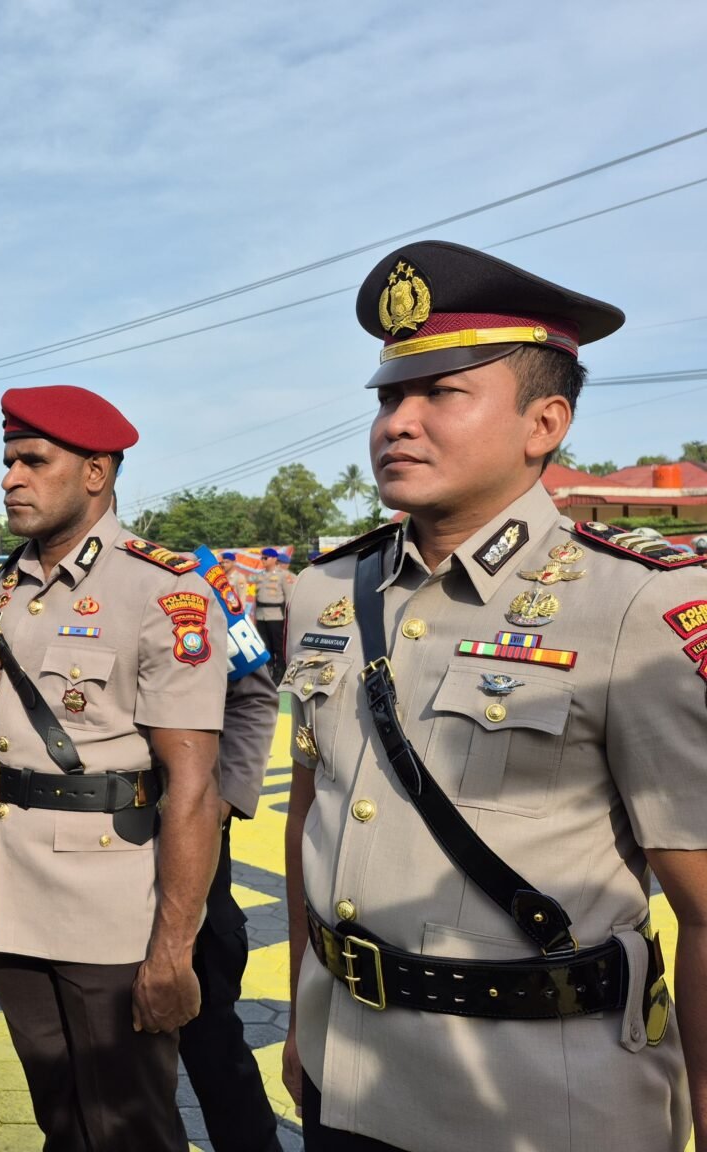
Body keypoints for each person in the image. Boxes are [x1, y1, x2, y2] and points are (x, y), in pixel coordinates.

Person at [280, 240, 707, 1151]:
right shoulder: (324, 592)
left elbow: (705, 907)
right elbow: (313, 809)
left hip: (536, 1102)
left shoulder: (631, 602)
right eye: (391, 396)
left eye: (442, 393)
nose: (399, 422)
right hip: (343, 1072)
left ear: (543, 423)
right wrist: (297, 1020)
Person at [0, 384, 230, 1151]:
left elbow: (193, 789)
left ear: (96, 472)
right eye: (8, 460)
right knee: (59, 1116)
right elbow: (0, 751)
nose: (11, 477)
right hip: (17, 895)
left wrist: (174, 950)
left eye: (33, 460)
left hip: (112, 909)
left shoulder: (160, 588)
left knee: (129, 1126)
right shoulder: (6, 583)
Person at [175, 546, 283, 1152]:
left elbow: (255, 695)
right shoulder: (24, 583)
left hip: (184, 842)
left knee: (209, 1031)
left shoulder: (190, 571)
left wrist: (221, 803)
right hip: (77, 863)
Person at [252, 547, 292, 673]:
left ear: (274, 559)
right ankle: (269, 669)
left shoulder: (283, 575)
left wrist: (288, 617)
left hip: (276, 616)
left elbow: (289, 597)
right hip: (261, 615)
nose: (262, 560)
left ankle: (280, 670)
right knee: (265, 645)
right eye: (262, 557)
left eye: (265, 558)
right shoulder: (260, 575)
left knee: (278, 646)